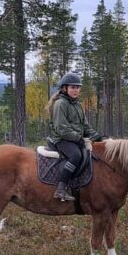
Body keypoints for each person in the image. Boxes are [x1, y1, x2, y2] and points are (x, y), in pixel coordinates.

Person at [47, 72, 103, 201]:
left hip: (75, 138)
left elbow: (85, 126)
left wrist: (97, 136)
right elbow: (62, 129)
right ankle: (60, 189)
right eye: (73, 87)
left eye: (78, 87)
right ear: (64, 88)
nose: (76, 90)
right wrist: (80, 139)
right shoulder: (60, 104)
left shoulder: (77, 105)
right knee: (76, 155)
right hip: (62, 139)